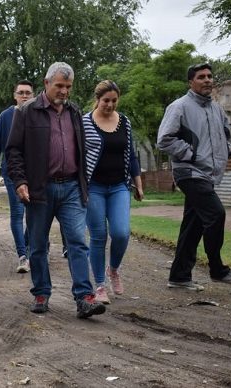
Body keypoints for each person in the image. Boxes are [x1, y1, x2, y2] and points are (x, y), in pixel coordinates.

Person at [6, 62, 106, 319]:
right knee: (38, 244)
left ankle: (84, 297)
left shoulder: (74, 111)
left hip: (71, 186)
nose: (64, 91)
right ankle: (41, 292)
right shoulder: (27, 111)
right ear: (46, 83)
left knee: (76, 241)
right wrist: (20, 181)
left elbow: (82, 147)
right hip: (40, 189)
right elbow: (14, 150)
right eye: (59, 85)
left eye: (68, 87)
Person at [157, 62, 231, 291]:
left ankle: (179, 276)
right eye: (201, 77)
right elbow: (164, 139)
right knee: (216, 214)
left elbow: (226, 131)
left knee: (193, 225)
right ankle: (218, 269)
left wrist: (227, 148)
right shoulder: (179, 107)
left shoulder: (216, 108)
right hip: (189, 172)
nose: (207, 80)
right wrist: (190, 153)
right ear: (191, 82)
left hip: (208, 174)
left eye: (209, 76)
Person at [83, 80, 144, 304]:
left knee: (121, 232)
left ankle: (114, 270)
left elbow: (132, 155)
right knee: (98, 236)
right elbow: (79, 156)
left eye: (114, 101)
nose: (110, 105)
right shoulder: (85, 123)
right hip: (94, 187)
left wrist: (138, 183)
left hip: (119, 185)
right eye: (105, 101)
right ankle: (99, 285)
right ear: (97, 100)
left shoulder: (124, 122)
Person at [0, 79, 35, 273]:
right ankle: (23, 255)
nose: (24, 96)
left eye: (27, 93)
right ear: (14, 95)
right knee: (17, 213)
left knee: (34, 214)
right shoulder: (5, 117)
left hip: (35, 172)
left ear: (33, 95)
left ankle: (32, 248)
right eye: (21, 92)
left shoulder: (38, 115)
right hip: (11, 171)